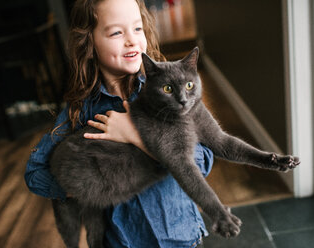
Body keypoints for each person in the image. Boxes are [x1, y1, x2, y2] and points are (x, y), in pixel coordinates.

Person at [24, 0, 214, 247]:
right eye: (116, 32)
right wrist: (83, 187)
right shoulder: (81, 111)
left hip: (180, 237)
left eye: (137, 29)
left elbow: (203, 162)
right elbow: (34, 173)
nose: (132, 40)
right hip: (121, 242)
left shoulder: (174, 97)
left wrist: (135, 135)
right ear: (89, 43)